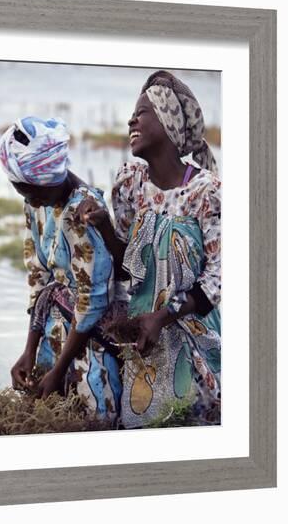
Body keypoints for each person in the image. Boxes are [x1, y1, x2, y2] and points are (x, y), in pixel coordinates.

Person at [79, 70, 221, 428]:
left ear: (168, 122)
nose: (131, 119)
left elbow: (219, 278)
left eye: (142, 112)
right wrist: (106, 228)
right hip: (144, 339)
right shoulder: (131, 185)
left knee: (192, 423)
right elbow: (129, 267)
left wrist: (164, 316)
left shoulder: (207, 192)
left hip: (193, 334)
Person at [0, 116, 127, 425]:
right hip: (54, 327)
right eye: (21, 192)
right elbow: (38, 275)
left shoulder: (83, 211)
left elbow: (94, 298)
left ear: (45, 182)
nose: (26, 199)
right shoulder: (37, 201)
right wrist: (30, 350)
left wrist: (58, 370)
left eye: (27, 191)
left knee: (91, 418)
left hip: (89, 337)